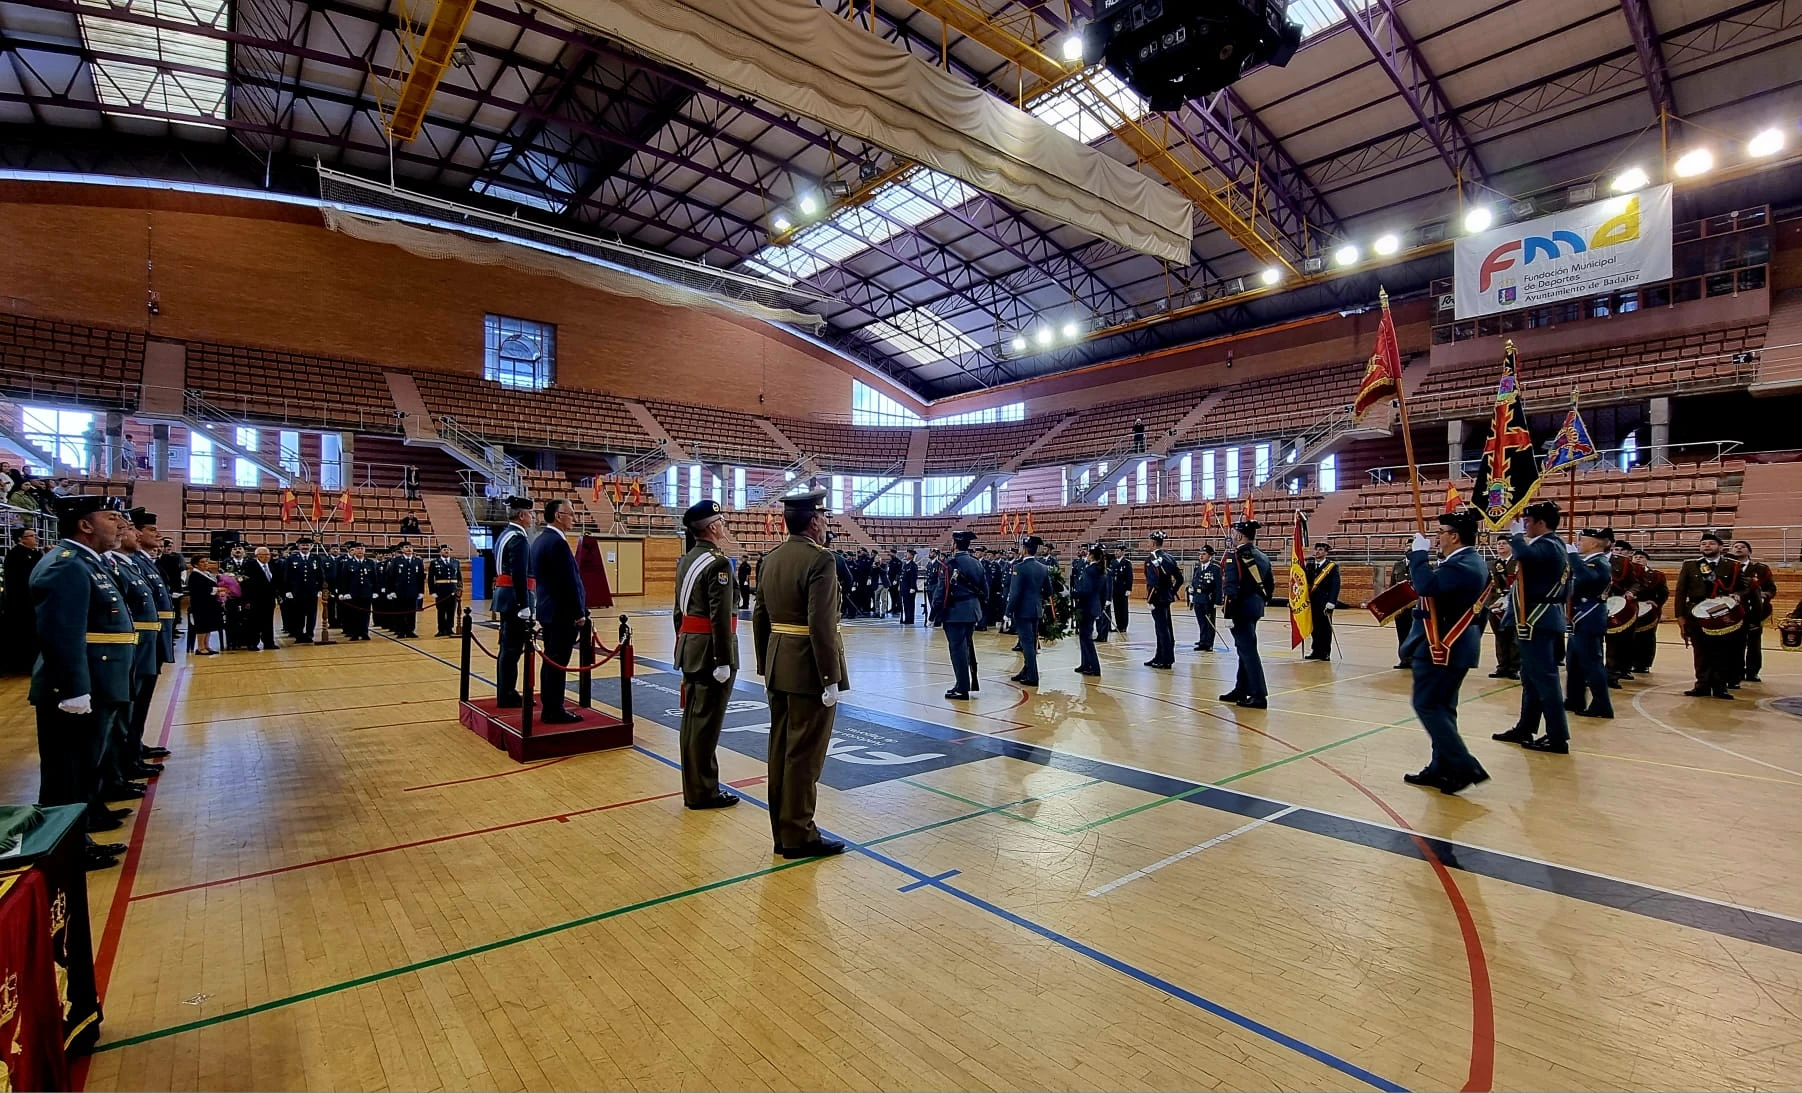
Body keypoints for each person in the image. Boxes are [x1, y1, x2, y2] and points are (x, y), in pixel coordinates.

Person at [30, 495, 132, 869]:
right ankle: (65, 851)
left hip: (98, 680)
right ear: (85, 525)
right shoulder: (66, 565)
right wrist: (73, 689)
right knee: (66, 775)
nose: (119, 525)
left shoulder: (90, 564)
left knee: (82, 770)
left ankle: (79, 838)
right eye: (110, 517)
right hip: (75, 688)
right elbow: (61, 633)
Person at [752, 488, 847, 859]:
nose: (826, 523)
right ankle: (800, 833)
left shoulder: (770, 558)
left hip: (779, 664)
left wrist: (766, 664)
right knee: (805, 756)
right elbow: (821, 625)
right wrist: (829, 677)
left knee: (780, 751)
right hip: (809, 669)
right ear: (813, 521)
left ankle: (784, 829)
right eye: (823, 517)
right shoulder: (820, 561)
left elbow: (761, 616)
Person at [1400, 507, 1491, 795]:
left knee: (1427, 705)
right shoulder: (1469, 561)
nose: (1437, 538)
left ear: (1454, 536)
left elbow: (1427, 586)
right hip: (1452, 644)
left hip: (1443, 645)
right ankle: (1441, 767)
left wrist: (1417, 555)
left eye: (1440, 533)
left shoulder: (1462, 564)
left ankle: (1465, 766)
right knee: (1442, 708)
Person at [673, 500, 741, 809]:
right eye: (721, 521)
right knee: (705, 725)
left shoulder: (687, 559)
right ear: (712, 527)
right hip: (712, 654)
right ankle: (704, 792)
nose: (724, 526)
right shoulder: (718, 563)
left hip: (691, 648)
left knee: (692, 723)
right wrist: (723, 661)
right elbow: (721, 617)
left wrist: (684, 645)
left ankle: (696, 787)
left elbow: (679, 613)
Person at [1493, 499, 1572, 753]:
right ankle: (1526, 727)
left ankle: (1557, 736)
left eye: (1527, 522)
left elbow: (1524, 554)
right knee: (1531, 678)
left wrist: (1516, 538)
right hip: (1538, 618)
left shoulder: (1548, 545)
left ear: (1541, 523)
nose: (1524, 526)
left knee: (1545, 680)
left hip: (1537, 618)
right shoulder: (1554, 545)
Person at [120, 509, 176, 765]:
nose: (158, 534)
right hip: (138, 644)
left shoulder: (141, 562)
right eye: (152, 530)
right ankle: (128, 754)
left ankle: (134, 746)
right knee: (132, 703)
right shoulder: (130, 563)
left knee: (140, 702)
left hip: (151, 641)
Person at [529, 499, 586, 723]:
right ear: (557, 516)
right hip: (560, 612)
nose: (574, 518)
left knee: (552, 660)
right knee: (557, 662)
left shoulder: (541, 539)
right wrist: (578, 612)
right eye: (570, 514)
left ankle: (551, 705)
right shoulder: (556, 543)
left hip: (548, 609)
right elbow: (568, 582)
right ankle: (554, 709)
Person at [1673, 531, 1745, 700]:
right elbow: (1680, 592)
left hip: (1722, 614)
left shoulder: (1732, 565)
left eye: (1711, 543)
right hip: (1696, 614)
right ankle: (1702, 685)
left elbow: (1746, 587)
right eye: (1703, 544)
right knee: (1700, 651)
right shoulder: (1690, 565)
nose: (1706, 546)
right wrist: (1680, 616)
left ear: (1720, 547)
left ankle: (1721, 687)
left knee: (1722, 651)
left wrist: (1738, 595)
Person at [1219, 520, 1273, 709]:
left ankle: (1259, 695)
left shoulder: (1236, 556)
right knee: (1244, 649)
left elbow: (1231, 587)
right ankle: (1241, 689)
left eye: (1235, 533)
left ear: (1240, 536)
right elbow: (1270, 586)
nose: (1233, 536)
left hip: (1239, 609)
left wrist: (1228, 613)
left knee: (1248, 652)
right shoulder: (1263, 557)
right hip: (1255, 608)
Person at [1564, 526, 1614, 720]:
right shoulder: (1588, 562)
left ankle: (1602, 705)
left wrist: (1573, 558)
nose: (1578, 543)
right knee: (1574, 663)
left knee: (1592, 664)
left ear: (1593, 543)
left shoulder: (1599, 562)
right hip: (1578, 618)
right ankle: (1574, 699)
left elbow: (1586, 578)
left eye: (1582, 540)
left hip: (1589, 617)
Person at [491, 496, 534, 706]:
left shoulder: (504, 535)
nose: (532, 518)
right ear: (522, 515)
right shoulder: (518, 538)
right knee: (512, 649)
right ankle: (507, 694)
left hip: (505, 594)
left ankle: (506, 691)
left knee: (508, 648)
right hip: (514, 597)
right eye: (530, 514)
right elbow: (519, 574)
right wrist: (524, 604)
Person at [939, 530, 987, 700]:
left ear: (954, 544)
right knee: (965, 647)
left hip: (955, 612)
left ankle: (962, 687)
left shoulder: (950, 563)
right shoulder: (977, 563)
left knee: (957, 650)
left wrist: (935, 615)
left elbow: (942, 590)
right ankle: (965, 683)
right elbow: (984, 591)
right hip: (972, 611)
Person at [1730, 539, 1775, 685]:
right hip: (1733, 612)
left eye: (1742, 547)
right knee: (1735, 643)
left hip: (1755, 611)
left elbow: (1771, 588)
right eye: (1735, 547)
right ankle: (1736, 672)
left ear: (1749, 551)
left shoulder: (1761, 569)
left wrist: (1763, 595)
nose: (1738, 549)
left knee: (1754, 643)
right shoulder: (1727, 568)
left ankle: (1752, 671)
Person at [1006, 536, 1050, 687]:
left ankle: (1032, 676)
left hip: (1023, 611)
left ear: (1024, 550)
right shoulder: (1043, 568)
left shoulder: (1019, 568)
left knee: (1027, 644)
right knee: (1030, 642)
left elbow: (1015, 593)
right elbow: (1048, 591)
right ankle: (1026, 670)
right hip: (1036, 610)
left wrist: (1007, 612)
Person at [2, 528, 44, 674]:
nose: (36, 538)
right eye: (31, 536)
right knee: (24, 636)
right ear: (21, 539)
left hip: (32, 602)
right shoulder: (15, 556)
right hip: (21, 604)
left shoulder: (34, 554)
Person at [1142, 531, 1181, 669]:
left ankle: (1165, 659)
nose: (1148, 544)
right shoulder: (1169, 558)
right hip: (1166, 598)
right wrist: (1171, 592)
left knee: (1162, 629)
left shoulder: (1151, 559)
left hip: (1157, 598)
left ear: (1153, 543)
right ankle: (1160, 656)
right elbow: (1180, 579)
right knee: (1166, 628)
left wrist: (1150, 600)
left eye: (1149, 541)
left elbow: (1154, 582)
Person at [1487, 534, 1520, 679]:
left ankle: (1514, 667)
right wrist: (1491, 603)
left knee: (1513, 636)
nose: (1500, 545)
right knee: (1499, 637)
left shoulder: (1518, 563)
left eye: (1504, 543)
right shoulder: (1491, 564)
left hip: (1513, 605)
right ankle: (1502, 666)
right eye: (1498, 543)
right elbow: (1488, 587)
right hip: (1495, 605)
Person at [282, 537, 326, 643]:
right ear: (298, 546)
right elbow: (286, 575)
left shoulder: (316, 558)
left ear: (311, 546)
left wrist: (320, 589)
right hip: (297, 592)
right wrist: (287, 590)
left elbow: (321, 575)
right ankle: (299, 635)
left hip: (312, 592)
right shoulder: (291, 558)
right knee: (298, 614)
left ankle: (309, 634)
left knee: (312, 614)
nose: (305, 547)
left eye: (307, 545)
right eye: (303, 545)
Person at [1631, 549, 1667, 674]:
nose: (1638, 559)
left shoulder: (1657, 575)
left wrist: (1656, 603)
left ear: (1647, 560)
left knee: (1647, 638)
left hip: (1649, 611)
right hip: (1630, 609)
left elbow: (1663, 593)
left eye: (1641, 557)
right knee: (1628, 638)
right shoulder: (1626, 573)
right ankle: (1627, 663)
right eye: (1635, 557)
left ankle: (1644, 664)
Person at [1072, 545, 1105, 677]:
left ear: (1091, 555)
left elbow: (1086, 590)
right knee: (1084, 636)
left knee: (1086, 637)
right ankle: (1085, 663)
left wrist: (1071, 594)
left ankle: (1094, 666)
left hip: (1086, 606)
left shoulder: (1090, 570)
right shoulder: (1098, 569)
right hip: (1092, 606)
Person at [1304, 542, 1340, 662]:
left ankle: (1325, 652)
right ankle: (1316, 650)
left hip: (1325, 602)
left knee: (1325, 627)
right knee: (1314, 627)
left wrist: (1332, 602)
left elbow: (1335, 585)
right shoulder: (1309, 565)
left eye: (1320, 550)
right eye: (1316, 549)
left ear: (1325, 552)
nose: (1317, 552)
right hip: (1312, 601)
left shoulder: (1332, 567)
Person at [240, 546, 281, 651]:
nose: (267, 557)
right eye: (264, 555)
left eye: (268, 554)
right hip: (254, 599)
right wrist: (246, 600)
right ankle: (253, 643)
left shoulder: (273, 565)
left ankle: (268, 642)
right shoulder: (249, 565)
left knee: (268, 621)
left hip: (269, 598)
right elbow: (245, 584)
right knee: (254, 622)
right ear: (258, 556)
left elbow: (276, 581)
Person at [383, 541, 426, 640]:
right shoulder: (396, 560)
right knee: (400, 611)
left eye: (410, 547)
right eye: (406, 547)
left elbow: (420, 577)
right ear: (402, 549)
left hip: (413, 590)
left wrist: (421, 591)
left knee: (412, 612)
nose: (409, 549)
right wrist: (391, 591)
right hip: (399, 591)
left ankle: (410, 630)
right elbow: (390, 577)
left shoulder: (417, 561)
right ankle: (401, 631)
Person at [335, 542, 377, 640]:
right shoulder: (348, 563)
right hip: (353, 593)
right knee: (353, 614)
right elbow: (344, 579)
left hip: (366, 592)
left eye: (362, 549)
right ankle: (354, 633)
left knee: (365, 614)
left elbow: (374, 578)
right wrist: (344, 592)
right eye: (358, 548)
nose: (360, 550)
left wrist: (375, 591)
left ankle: (364, 632)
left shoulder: (370, 562)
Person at [187, 558, 224, 655]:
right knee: (202, 625)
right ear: (195, 564)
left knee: (208, 625)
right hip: (200, 604)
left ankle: (206, 645)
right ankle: (200, 647)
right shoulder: (194, 575)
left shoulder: (207, 573)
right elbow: (201, 589)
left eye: (206, 561)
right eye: (202, 562)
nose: (205, 563)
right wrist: (218, 589)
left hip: (210, 603)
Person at [1188, 545, 1221, 652]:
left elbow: (1218, 586)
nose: (1201, 556)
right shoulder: (1197, 569)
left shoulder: (1215, 569)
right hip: (1198, 598)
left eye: (1204, 554)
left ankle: (1209, 643)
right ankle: (1202, 641)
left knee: (1209, 622)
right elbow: (1194, 583)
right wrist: (1191, 597)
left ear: (1210, 556)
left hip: (1208, 599)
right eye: (1200, 554)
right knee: (1201, 621)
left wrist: (1218, 601)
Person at [430, 544, 462, 637]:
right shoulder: (435, 562)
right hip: (440, 590)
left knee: (451, 610)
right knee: (441, 611)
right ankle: (441, 629)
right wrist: (432, 591)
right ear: (440, 551)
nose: (446, 551)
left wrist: (459, 588)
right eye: (444, 550)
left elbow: (459, 576)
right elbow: (431, 578)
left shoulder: (455, 562)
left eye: (448, 550)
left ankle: (449, 628)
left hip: (453, 589)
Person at [1387, 554, 1412, 669]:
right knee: (1402, 634)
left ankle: (1415, 660)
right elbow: (1392, 585)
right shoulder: (1398, 565)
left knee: (1415, 635)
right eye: (1407, 545)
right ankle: (1404, 660)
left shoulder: (1423, 564)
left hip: (1415, 606)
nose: (1408, 548)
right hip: (1400, 607)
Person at [1108, 545, 1133, 633]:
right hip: (1115, 588)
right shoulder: (1113, 562)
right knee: (1116, 608)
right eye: (1115, 550)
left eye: (1118, 550)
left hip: (1123, 588)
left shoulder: (1126, 563)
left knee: (1123, 608)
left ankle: (1124, 626)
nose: (1116, 552)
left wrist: (1129, 589)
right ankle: (1118, 625)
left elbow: (1129, 576)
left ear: (1123, 552)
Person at [899, 548, 918, 626]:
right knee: (905, 604)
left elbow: (913, 577)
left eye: (907, 554)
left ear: (911, 556)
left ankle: (910, 619)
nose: (905, 555)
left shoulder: (913, 565)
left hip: (910, 588)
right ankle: (906, 618)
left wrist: (912, 587)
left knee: (910, 604)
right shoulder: (905, 564)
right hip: (904, 588)